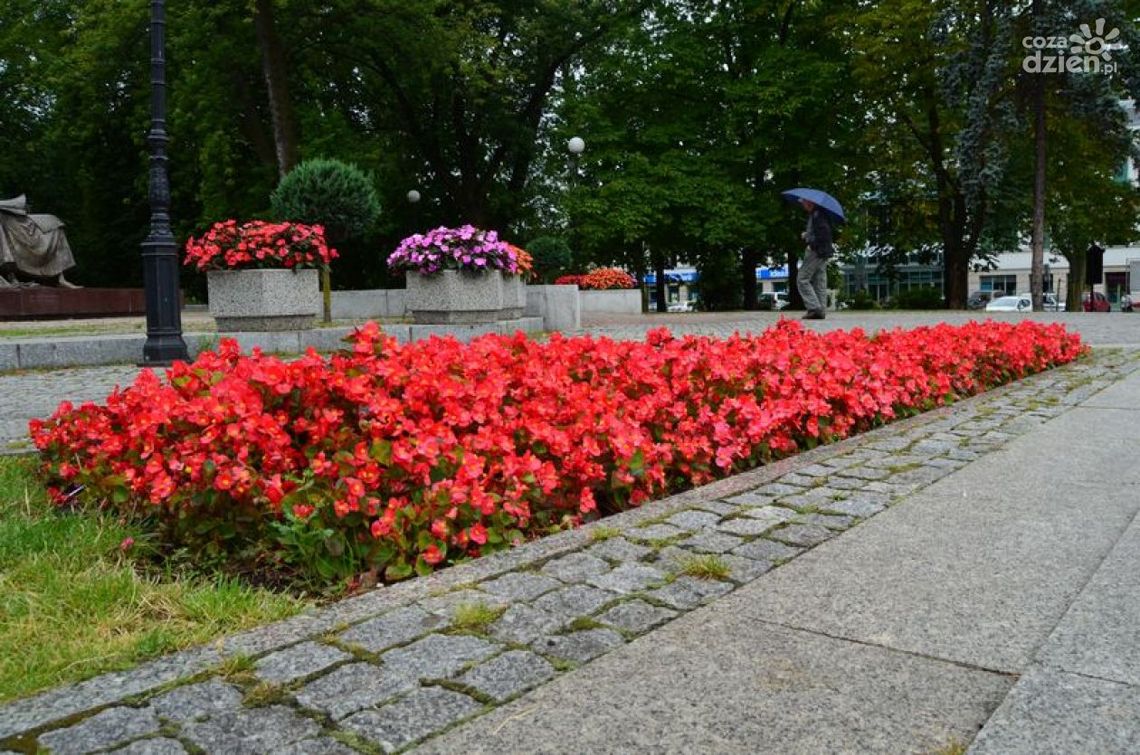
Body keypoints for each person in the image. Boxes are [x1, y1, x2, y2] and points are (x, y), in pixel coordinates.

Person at [0, 195, 79, 287]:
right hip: (8, 223)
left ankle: (61, 278)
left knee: (53, 222)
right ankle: (11, 276)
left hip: (15, 220)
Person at [797, 198, 833, 320]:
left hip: (816, 251)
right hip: (823, 252)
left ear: (809, 203)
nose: (802, 205)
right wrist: (808, 234)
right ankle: (821, 310)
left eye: (803, 202)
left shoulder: (817, 216)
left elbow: (823, 235)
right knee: (819, 280)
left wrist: (810, 242)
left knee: (802, 279)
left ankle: (814, 308)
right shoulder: (820, 214)